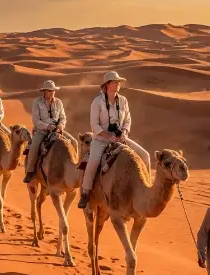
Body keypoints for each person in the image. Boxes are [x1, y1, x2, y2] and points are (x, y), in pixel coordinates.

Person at [78, 71, 150, 209]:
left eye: (118, 82)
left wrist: (124, 132)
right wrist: (107, 135)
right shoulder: (97, 102)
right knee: (93, 162)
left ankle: (144, 187)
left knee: (145, 156)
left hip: (120, 138)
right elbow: (94, 125)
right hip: (101, 139)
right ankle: (85, 192)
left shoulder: (123, 100)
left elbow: (128, 119)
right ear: (107, 85)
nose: (118, 84)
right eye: (115, 82)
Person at [23, 80, 78, 183]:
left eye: (53, 90)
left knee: (74, 142)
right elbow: (36, 120)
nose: (52, 92)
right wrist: (47, 126)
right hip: (42, 130)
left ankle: (76, 168)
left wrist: (61, 126)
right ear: (44, 91)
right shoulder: (37, 102)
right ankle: (30, 171)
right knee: (34, 146)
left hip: (57, 130)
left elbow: (63, 117)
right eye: (49, 91)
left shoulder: (59, 102)